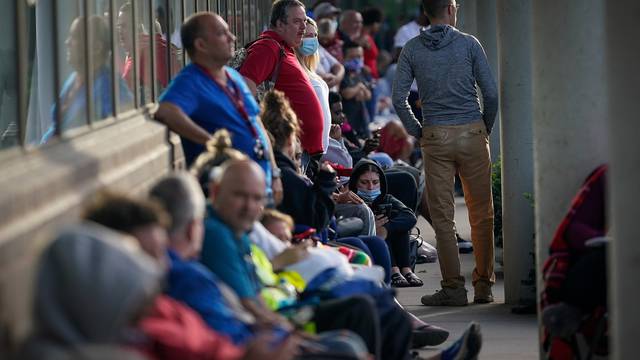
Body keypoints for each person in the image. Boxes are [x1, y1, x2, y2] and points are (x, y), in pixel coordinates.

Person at [393, 0, 499, 305]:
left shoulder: (412, 48)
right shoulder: (469, 44)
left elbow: (399, 98)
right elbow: (489, 93)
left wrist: (418, 130)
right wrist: (483, 126)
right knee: (482, 214)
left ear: (425, 12)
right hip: (472, 131)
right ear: (452, 9)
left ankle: (453, 288)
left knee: (443, 218)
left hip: (435, 134)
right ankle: (483, 287)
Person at [154, 12, 282, 204]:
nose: (233, 38)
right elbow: (166, 111)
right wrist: (213, 143)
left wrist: (274, 172)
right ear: (201, 45)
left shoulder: (233, 76)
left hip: (261, 186)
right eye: (222, 33)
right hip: (231, 197)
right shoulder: (191, 80)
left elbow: (256, 123)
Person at [239, 0, 325, 157]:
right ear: (279, 24)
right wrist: (262, 131)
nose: (303, 27)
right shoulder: (268, 47)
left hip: (301, 152)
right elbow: (244, 86)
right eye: (296, 21)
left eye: (304, 21)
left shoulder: (283, 48)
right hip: (289, 152)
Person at [41, 16, 133, 144]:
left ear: (96, 47)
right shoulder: (74, 78)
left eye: (74, 37)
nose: (67, 42)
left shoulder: (110, 87)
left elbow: (127, 130)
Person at [349, 159, 423, 288]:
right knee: (380, 226)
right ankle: (394, 271)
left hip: (393, 241)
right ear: (355, 183)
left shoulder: (387, 198)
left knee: (396, 222)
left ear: (381, 183)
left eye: (375, 182)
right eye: (364, 182)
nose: (370, 187)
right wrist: (375, 227)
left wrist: (387, 228)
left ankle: (407, 270)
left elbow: (410, 216)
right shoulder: (351, 203)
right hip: (368, 245)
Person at [295, 17, 331, 154]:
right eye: (308, 35)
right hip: (310, 153)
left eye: (315, 35)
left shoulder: (310, 70)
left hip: (320, 152)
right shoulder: (295, 69)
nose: (313, 39)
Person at [340, 42, 372, 140]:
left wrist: (360, 90)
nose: (356, 60)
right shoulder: (342, 73)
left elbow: (368, 95)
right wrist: (359, 87)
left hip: (363, 121)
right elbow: (346, 93)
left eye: (359, 56)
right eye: (352, 57)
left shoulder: (362, 73)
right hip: (348, 123)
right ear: (344, 58)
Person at [314, 18, 345, 91]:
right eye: (322, 38)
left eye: (327, 39)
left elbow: (339, 67)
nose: (325, 42)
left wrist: (336, 79)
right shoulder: (310, 48)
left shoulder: (320, 48)